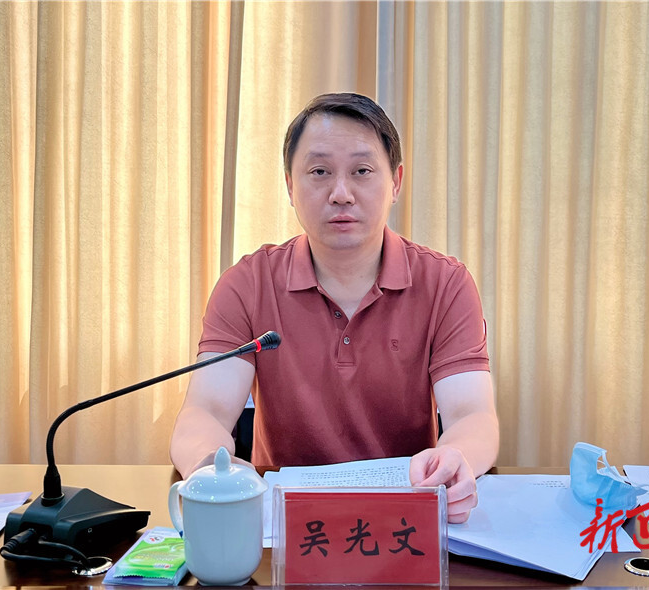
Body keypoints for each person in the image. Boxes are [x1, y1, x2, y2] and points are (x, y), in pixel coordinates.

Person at [170, 92, 499, 523]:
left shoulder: (445, 284)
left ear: (396, 182)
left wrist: (457, 459)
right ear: (290, 186)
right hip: (284, 524)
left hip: (407, 516)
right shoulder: (247, 283)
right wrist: (210, 468)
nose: (341, 194)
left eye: (362, 171)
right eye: (319, 172)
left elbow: (472, 415)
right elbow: (205, 411)